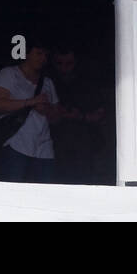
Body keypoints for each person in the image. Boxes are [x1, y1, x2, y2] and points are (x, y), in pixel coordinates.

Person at [0, 36, 61, 183]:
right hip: (16, 143)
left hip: (44, 148)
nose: (43, 59)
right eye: (39, 53)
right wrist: (31, 102)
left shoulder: (47, 82)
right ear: (26, 53)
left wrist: (46, 109)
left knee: (44, 194)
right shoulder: (9, 74)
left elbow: (57, 118)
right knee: (12, 191)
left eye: (46, 55)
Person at [48, 46, 110, 185]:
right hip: (54, 146)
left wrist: (80, 116)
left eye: (68, 63)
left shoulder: (88, 84)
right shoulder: (47, 83)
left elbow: (102, 114)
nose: (64, 67)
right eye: (59, 63)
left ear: (75, 63)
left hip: (85, 146)